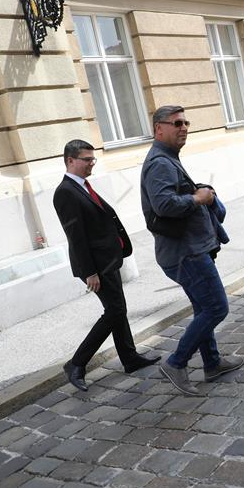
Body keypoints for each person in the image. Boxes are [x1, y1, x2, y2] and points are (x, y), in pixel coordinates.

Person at [141, 105, 244, 396]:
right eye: (176, 123)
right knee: (216, 307)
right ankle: (176, 363)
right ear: (159, 129)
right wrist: (198, 198)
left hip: (189, 249)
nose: (184, 127)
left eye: (186, 122)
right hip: (186, 253)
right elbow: (164, 205)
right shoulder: (160, 162)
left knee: (203, 307)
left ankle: (212, 363)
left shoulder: (167, 158)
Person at [54, 140, 160, 392]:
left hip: (107, 261)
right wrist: (90, 271)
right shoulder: (65, 192)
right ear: (70, 160)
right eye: (86, 159)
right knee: (114, 311)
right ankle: (77, 363)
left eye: (93, 159)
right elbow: (75, 236)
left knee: (118, 310)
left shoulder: (82, 186)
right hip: (95, 267)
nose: (92, 163)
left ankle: (130, 358)